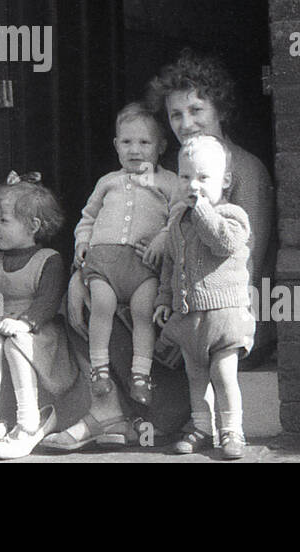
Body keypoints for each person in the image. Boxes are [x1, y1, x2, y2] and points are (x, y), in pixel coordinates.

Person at [44, 49, 275, 452]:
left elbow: (247, 263)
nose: (186, 123)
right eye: (175, 114)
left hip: (222, 317)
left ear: (221, 108)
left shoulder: (246, 169)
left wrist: (181, 317)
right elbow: (123, 226)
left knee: (167, 394)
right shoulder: (167, 168)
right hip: (165, 301)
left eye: (196, 110)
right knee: (79, 300)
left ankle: (131, 415)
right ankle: (109, 408)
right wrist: (82, 274)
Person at [146, 134, 253, 458]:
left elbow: (223, 242)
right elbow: (170, 265)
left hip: (225, 317)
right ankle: (201, 427)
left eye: (203, 178)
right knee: (195, 377)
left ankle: (233, 431)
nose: (194, 185)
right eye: (186, 176)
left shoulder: (234, 216)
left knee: (223, 375)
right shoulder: (178, 221)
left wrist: (204, 209)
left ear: (226, 181)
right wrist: (164, 299)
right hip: (190, 318)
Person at [0, 172, 77, 459]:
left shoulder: (48, 260)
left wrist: (25, 322)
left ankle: (28, 422)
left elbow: (48, 301)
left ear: (33, 226)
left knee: (14, 343)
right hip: (2, 329)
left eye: (4, 221)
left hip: (38, 334)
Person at [72, 104, 181, 405]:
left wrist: (162, 237)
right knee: (101, 307)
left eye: (144, 142)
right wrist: (82, 242)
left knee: (144, 313)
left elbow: (179, 216)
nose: (135, 150)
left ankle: (141, 376)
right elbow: (88, 217)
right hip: (104, 263)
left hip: (143, 266)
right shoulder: (108, 182)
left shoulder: (170, 182)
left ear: (160, 147)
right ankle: (99, 370)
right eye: (127, 142)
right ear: (116, 145)